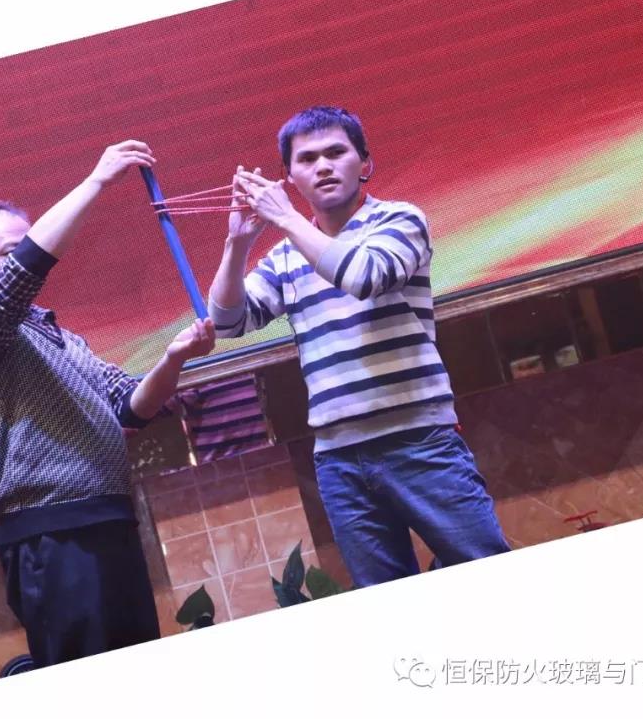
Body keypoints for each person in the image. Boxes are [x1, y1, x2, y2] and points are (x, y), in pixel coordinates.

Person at [0, 139, 215, 667]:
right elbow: (27, 271)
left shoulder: (63, 339)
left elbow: (129, 409)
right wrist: (97, 181)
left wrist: (174, 357)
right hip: (52, 533)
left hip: (109, 520)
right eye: (10, 251)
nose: (24, 258)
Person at [207, 106, 509, 587]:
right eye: (307, 159)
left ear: (364, 162)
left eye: (336, 153)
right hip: (338, 459)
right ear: (290, 177)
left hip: (419, 440)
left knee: (486, 571)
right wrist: (236, 244)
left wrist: (286, 218)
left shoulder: (399, 219)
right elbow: (228, 322)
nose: (323, 166)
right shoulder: (285, 255)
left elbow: (364, 276)